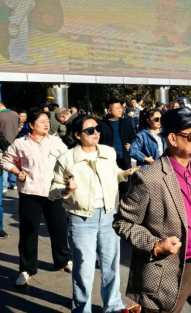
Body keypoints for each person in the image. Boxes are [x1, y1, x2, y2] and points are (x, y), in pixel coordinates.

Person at [114, 106, 191, 313]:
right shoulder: (149, 177)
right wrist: (156, 245)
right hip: (167, 271)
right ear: (173, 139)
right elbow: (123, 222)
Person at [50, 114, 137, 313]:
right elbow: (53, 190)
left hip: (108, 215)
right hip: (82, 219)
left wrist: (125, 174)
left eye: (97, 129)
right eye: (90, 130)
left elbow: (115, 173)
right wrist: (66, 190)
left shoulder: (108, 152)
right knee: (84, 269)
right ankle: (82, 309)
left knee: (111, 265)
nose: (96, 133)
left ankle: (113, 306)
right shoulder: (66, 159)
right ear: (77, 135)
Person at [1, 106, 72, 286]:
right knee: (28, 232)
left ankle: (63, 260)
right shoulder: (20, 143)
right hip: (30, 192)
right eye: (42, 122)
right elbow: (5, 160)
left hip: (53, 192)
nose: (46, 124)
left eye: (47, 121)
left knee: (59, 228)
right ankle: (26, 269)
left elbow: (68, 161)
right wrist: (17, 171)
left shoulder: (56, 142)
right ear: (31, 125)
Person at [97, 98, 137, 171]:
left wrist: (131, 144)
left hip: (124, 160)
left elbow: (133, 137)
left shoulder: (126, 123)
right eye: (117, 108)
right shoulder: (101, 125)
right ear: (109, 111)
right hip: (108, 161)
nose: (120, 110)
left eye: (120, 108)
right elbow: (97, 142)